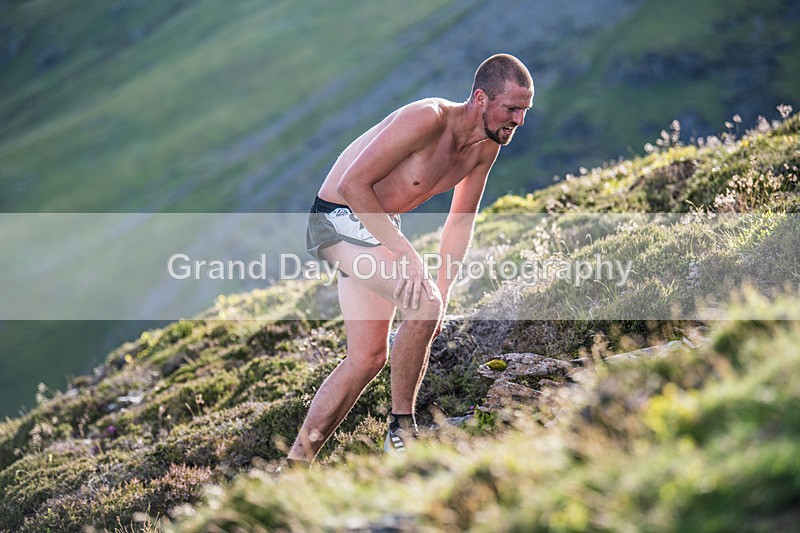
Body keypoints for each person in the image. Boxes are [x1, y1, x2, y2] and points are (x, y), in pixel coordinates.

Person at [287, 54, 533, 466]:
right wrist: (407, 255)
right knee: (421, 304)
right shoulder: (427, 118)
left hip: (377, 223)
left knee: (368, 358)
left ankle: (294, 466)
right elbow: (353, 185)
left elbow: (460, 222)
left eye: (524, 111)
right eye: (511, 108)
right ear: (480, 98)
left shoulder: (487, 147)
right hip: (338, 218)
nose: (518, 121)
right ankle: (400, 430)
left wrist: (445, 289)